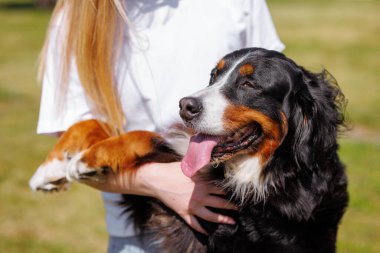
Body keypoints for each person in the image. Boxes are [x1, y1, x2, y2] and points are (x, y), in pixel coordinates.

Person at [37, 0, 284, 252]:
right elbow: (76, 157)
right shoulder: (78, 13)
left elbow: (277, 93)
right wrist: (160, 181)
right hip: (142, 233)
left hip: (255, 225)